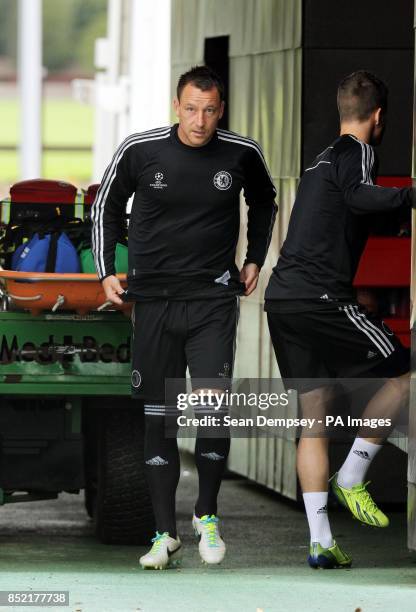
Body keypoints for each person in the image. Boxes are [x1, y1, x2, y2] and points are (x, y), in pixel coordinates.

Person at [92, 65, 277, 569]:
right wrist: (108, 269)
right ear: (177, 106)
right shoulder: (141, 149)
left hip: (212, 299)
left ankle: (207, 518)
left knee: (212, 409)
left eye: (210, 110)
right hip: (152, 301)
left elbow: (265, 201)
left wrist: (255, 256)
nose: (200, 121)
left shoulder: (242, 153)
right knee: (160, 418)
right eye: (192, 109)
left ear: (222, 110)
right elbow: (105, 205)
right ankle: (162, 535)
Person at [264, 70, 413, 569]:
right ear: (378, 116)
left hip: (283, 301)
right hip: (321, 299)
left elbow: (346, 215)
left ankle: (321, 541)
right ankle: (352, 475)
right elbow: (360, 198)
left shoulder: (320, 161)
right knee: (406, 373)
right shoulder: (359, 153)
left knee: (315, 415)